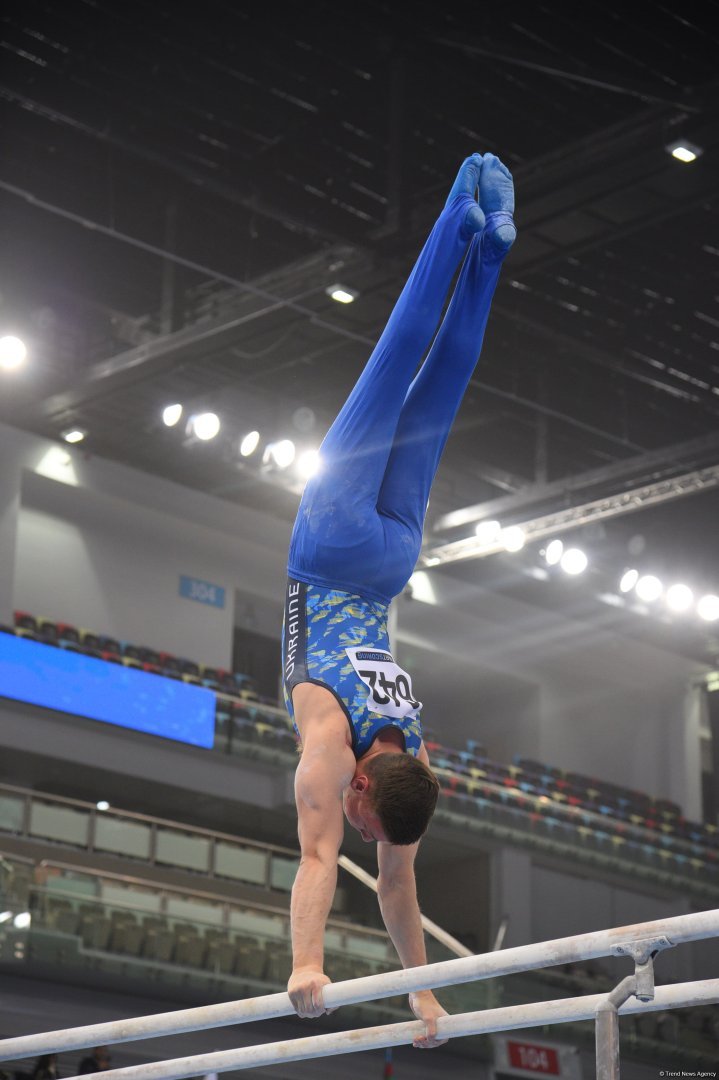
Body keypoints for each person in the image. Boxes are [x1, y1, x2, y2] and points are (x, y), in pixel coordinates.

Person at [282, 152, 516, 1048]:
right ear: (362, 783)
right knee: (396, 365)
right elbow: (315, 861)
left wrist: (424, 998)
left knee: (438, 393)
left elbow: (395, 884)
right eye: (361, 815)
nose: (353, 823)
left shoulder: (413, 760)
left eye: (362, 823)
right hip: (332, 545)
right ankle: (459, 211)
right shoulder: (329, 748)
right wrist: (308, 963)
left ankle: (488, 247)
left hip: (392, 561)